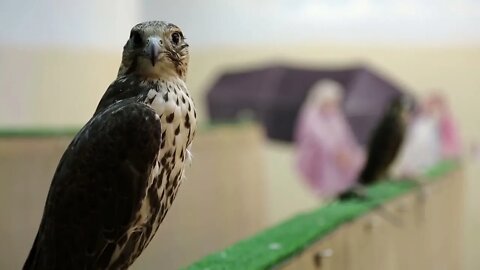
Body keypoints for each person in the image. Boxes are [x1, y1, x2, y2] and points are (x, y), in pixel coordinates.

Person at [294, 80, 365, 197]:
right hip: (322, 162)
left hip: (341, 162)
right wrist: (335, 152)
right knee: (328, 189)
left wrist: (350, 154)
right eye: (329, 102)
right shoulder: (311, 116)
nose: (332, 105)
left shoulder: (336, 116)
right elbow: (318, 137)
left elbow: (347, 137)